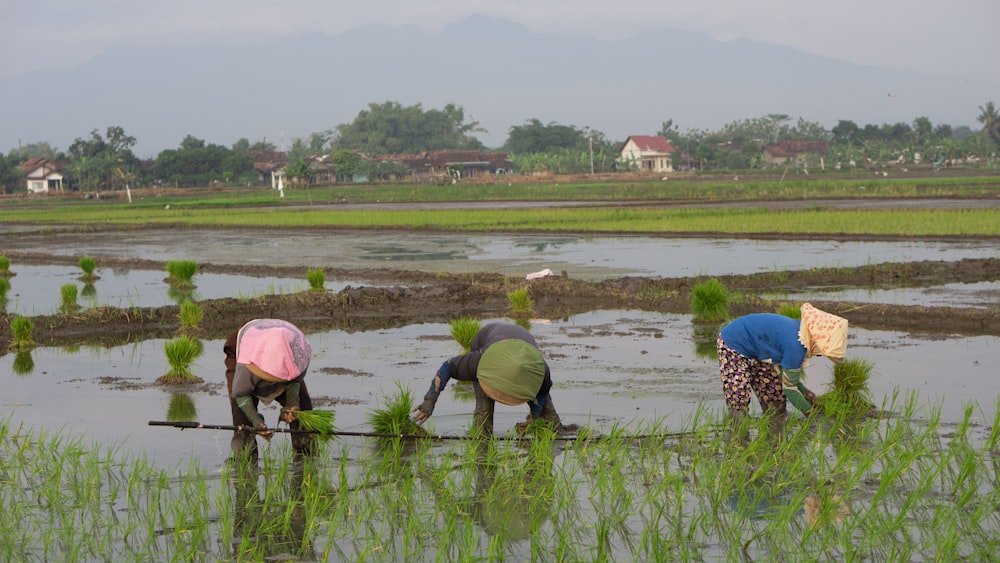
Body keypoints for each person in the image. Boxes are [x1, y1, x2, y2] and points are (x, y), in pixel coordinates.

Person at [412, 322, 563, 436]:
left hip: (524, 352)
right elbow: (447, 367)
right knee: (483, 412)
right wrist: (429, 401)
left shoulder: (540, 372)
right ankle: (482, 448)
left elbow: (541, 395)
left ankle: (557, 433)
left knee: (547, 414)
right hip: (490, 346)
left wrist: (533, 418)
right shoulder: (478, 362)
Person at [717, 303, 848, 424]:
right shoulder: (797, 346)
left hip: (759, 347)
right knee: (739, 394)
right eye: (821, 353)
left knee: (774, 396)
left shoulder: (801, 335)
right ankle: (738, 433)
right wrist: (810, 413)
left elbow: (783, 372)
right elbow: (790, 388)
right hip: (733, 343)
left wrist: (805, 392)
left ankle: (775, 435)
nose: (817, 354)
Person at [224, 318, 314, 462]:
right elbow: (240, 394)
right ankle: (245, 462)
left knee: (303, 409)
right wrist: (256, 421)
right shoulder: (247, 363)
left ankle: (306, 457)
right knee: (243, 421)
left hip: (279, 344)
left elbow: (294, 380)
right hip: (244, 348)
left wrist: (292, 405)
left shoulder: (296, 352)